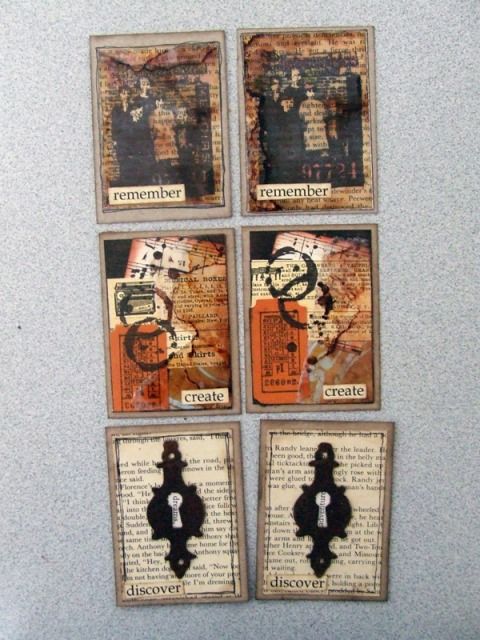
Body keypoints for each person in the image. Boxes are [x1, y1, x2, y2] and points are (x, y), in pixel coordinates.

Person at [299, 84, 329, 180]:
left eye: (312, 90)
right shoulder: (303, 104)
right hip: (310, 129)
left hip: (319, 129)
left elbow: (324, 115)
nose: (310, 93)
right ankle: (310, 174)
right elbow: (301, 116)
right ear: (306, 93)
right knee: (310, 151)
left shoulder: (319, 103)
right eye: (308, 91)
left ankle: (321, 174)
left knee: (321, 151)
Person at [149, 97, 179, 184]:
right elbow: (151, 128)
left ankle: (169, 180)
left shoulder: (169, 113)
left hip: (168, 140)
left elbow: (173, 125)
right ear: (156, 102)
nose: (160, 103)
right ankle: (162, 179)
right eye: (158, 101)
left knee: (168, 160)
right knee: (161, 162)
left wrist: (168, 130)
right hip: (159, 141)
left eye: (161, 101)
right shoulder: (152, 115)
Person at [111, 85, 134, 186]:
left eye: (127, 93)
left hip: (131, 138)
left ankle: (132, 181)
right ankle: (124, 181)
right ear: (120, 95)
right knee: (122, 159)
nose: (126, 96)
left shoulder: (133, 108)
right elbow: (114, 125)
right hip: (121, 139)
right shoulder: (116, 109)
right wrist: (114, 140)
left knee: (131, 160)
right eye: (123, 93)